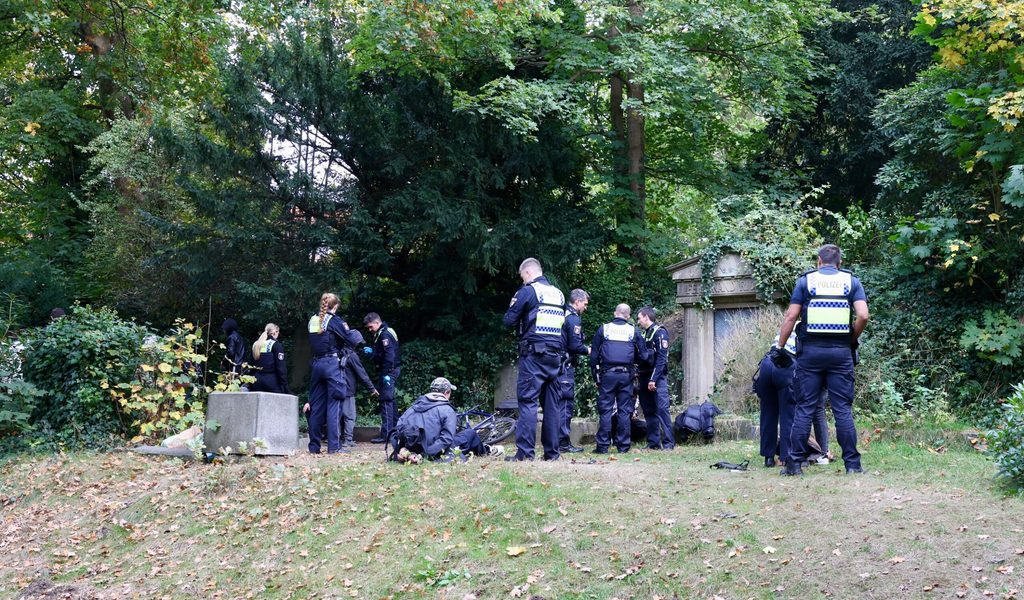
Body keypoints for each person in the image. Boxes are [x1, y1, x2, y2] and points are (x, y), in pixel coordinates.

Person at [776, 244, 869, 475]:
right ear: (840, 262)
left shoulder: (805, 282)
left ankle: (794, 465)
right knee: (842, 410)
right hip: (841, 354)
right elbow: (864, 315)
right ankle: (853, 466)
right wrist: (851, 339)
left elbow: (790, 317)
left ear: (819, 261)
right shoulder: (851, 282)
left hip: (810, 354)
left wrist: (779, 346)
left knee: (805, 408)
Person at [502, 257, 567, 461]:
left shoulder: (528, 291)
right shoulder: (558, 294)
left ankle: (525, 453)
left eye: (523, 277)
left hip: (534, 355)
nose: (523, 280)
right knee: (552, 405)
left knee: (528, 402)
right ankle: (552, 453)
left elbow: (509, 320)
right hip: (555, 356)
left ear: (528, 273)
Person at [389, 377, 504, 461]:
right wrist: (425, 454)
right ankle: (486, 451)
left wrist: (401, 450)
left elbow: (397, 431)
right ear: (447, 392)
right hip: (432, 451)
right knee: (470, 434)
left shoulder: (412, 408)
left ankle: (486, 449)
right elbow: (447, 439)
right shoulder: (447, 410)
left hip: (411, 449)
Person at [590, 303, 648, 454]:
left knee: (605, 410)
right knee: (624, 410)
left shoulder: (604, 329)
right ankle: (623, 446)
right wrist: (637, 369)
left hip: (607, 374)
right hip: (626, 375)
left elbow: (594, 355)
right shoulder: (633, 331)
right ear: (628, 316)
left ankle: (603, 446)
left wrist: (596, 378)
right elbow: (643, 355)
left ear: (615, 313)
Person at [305, 293, 351, 454]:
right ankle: (334, 447)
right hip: (332, 365)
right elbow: (349, 337)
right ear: (335, 306)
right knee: (334, 405)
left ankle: (314, 447)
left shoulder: (312, 320)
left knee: (316, 406)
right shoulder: (335, 321)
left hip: (317, 364)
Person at [754, 332, 797, 467]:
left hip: (767, 364)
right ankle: (786, 456)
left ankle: (768, 457)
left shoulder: (786, 327)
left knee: (767, 414)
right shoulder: (805, 330)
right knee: (788, 414)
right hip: (786, 365)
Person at [636, 307, 674, 450]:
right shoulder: (644, 334)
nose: (638, 321)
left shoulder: (660, 332)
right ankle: (653, 443)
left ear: (646, 317)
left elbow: (661, 359)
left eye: (639, 318)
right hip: (644, 376)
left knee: (662, 410)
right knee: (648, 410)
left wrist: (653, 379)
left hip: (657, 378)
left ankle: (669, 443)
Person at [558, 289, 591, 454]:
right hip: (565, 366)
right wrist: (590, 350)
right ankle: (563, 444)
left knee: (555, 405)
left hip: (556, 365)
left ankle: (555, 441)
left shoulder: (560, 313)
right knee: (565, 404)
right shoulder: (573, 318)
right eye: (584, 304)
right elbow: (575, 346)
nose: (585, 308)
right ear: (577, 301)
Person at [363, 312, 401, 444]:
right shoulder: (384, 331)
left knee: (385, 401)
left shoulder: (384, 334)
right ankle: (395, 431)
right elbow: (382, 354)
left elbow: (389, 355)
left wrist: (386, 373)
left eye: (370, 327)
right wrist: (373, 353)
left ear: (377, 323)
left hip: (388, 372)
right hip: (390, 370)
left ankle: (386, 435)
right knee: (390, 401)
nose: (369, 330)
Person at [339, 329, 379, 449]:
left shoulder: (339, 352)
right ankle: (348, 440)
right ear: (354, 343)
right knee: (350, 416)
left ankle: (338, 439)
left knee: (338, 415)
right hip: (348, 390)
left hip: (336, 388)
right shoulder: (352, 356)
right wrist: (372, 389)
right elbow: (362, 374)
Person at [250, 323, 290, 394]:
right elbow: (281, 368)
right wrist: (285, 386)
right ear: (275, 332)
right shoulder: (276, 345)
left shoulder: (256, 344)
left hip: (256, 380)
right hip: (271, 381)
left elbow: (251, 366)